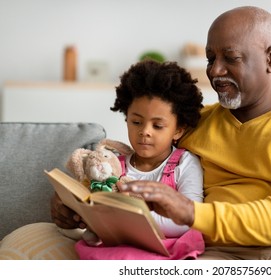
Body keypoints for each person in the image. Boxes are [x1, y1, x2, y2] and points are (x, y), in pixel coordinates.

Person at [51, 6, 271, 260]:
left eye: (230, 58)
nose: (215, 70)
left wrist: (191, 213)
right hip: (214, 255)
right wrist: (79, 201)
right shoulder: (195, 122)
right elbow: (137, 162)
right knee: (36, 236)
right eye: (211, 58)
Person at [58, 59, 206, 259]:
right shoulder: (112, 167)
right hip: (115, 248)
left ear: (178, 130)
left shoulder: (184, 163)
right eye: (136, 122)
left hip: (165, 248)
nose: (144, 132)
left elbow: (190, 218)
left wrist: (130, 222)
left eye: (157, 126)